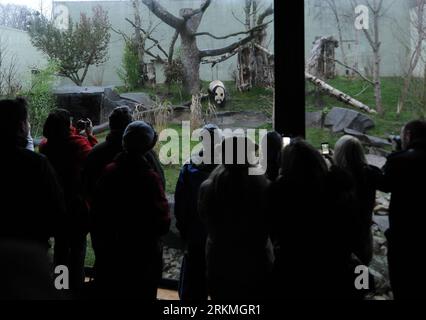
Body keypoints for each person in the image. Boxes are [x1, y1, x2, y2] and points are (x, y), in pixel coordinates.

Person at [268, 138, 359, 299]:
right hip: (335, 267)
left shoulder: (280, 192)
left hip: (293, 268)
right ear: (316, 159)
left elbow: (273, 231)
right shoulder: (337, 186)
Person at [91, 121, 170, 300]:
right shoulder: (149, 177)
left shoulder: (109, 172)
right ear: (148, 146)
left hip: (113, 249)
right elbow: (162, 219)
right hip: (142, 253)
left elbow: (97, 210)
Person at [198, 136, 273, 300]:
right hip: (256, 261)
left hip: (221, 261)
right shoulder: (264, 187)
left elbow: (204, 220)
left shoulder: (209, 188)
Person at [39, 109, 98, 291]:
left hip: (56, 207)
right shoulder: (78, 144)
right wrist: (89, 135)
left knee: (61, 250)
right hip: (77, 207)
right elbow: (94, 159)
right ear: (66, 127)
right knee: (78, 249)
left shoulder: (45, 146)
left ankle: (61, 288)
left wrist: (75, 132)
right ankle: (76, 289)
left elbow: (61, 140)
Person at [0, 98, 65, 251]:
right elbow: (57, 212)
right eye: (27, 121)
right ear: (21, 126)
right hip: (29, 250)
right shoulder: (36, 163)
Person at [174, 124, 223, 301]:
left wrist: (182, 226)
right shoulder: (226, 169)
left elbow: (180, 202)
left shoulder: (189, 167)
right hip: (220, 233)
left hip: (195, 231)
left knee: (193, 281)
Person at [381, 120, 426, 299]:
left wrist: (398, 151)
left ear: (408, 136)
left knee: (403, 281)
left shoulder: (400, 160)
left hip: (404, 233)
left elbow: (385, 184)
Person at [84, 106, 165, 202]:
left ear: (110, 125)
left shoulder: (96, 153)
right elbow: (161, 185)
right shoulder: (146, 155)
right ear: (129, 125)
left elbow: (87, 186)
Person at [333, 135, 383, 265]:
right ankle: (363, 285)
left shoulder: (336, 176)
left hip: (340, 233)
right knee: (362, 269)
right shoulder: (371, 173)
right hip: (363, 230)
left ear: (339, 153)